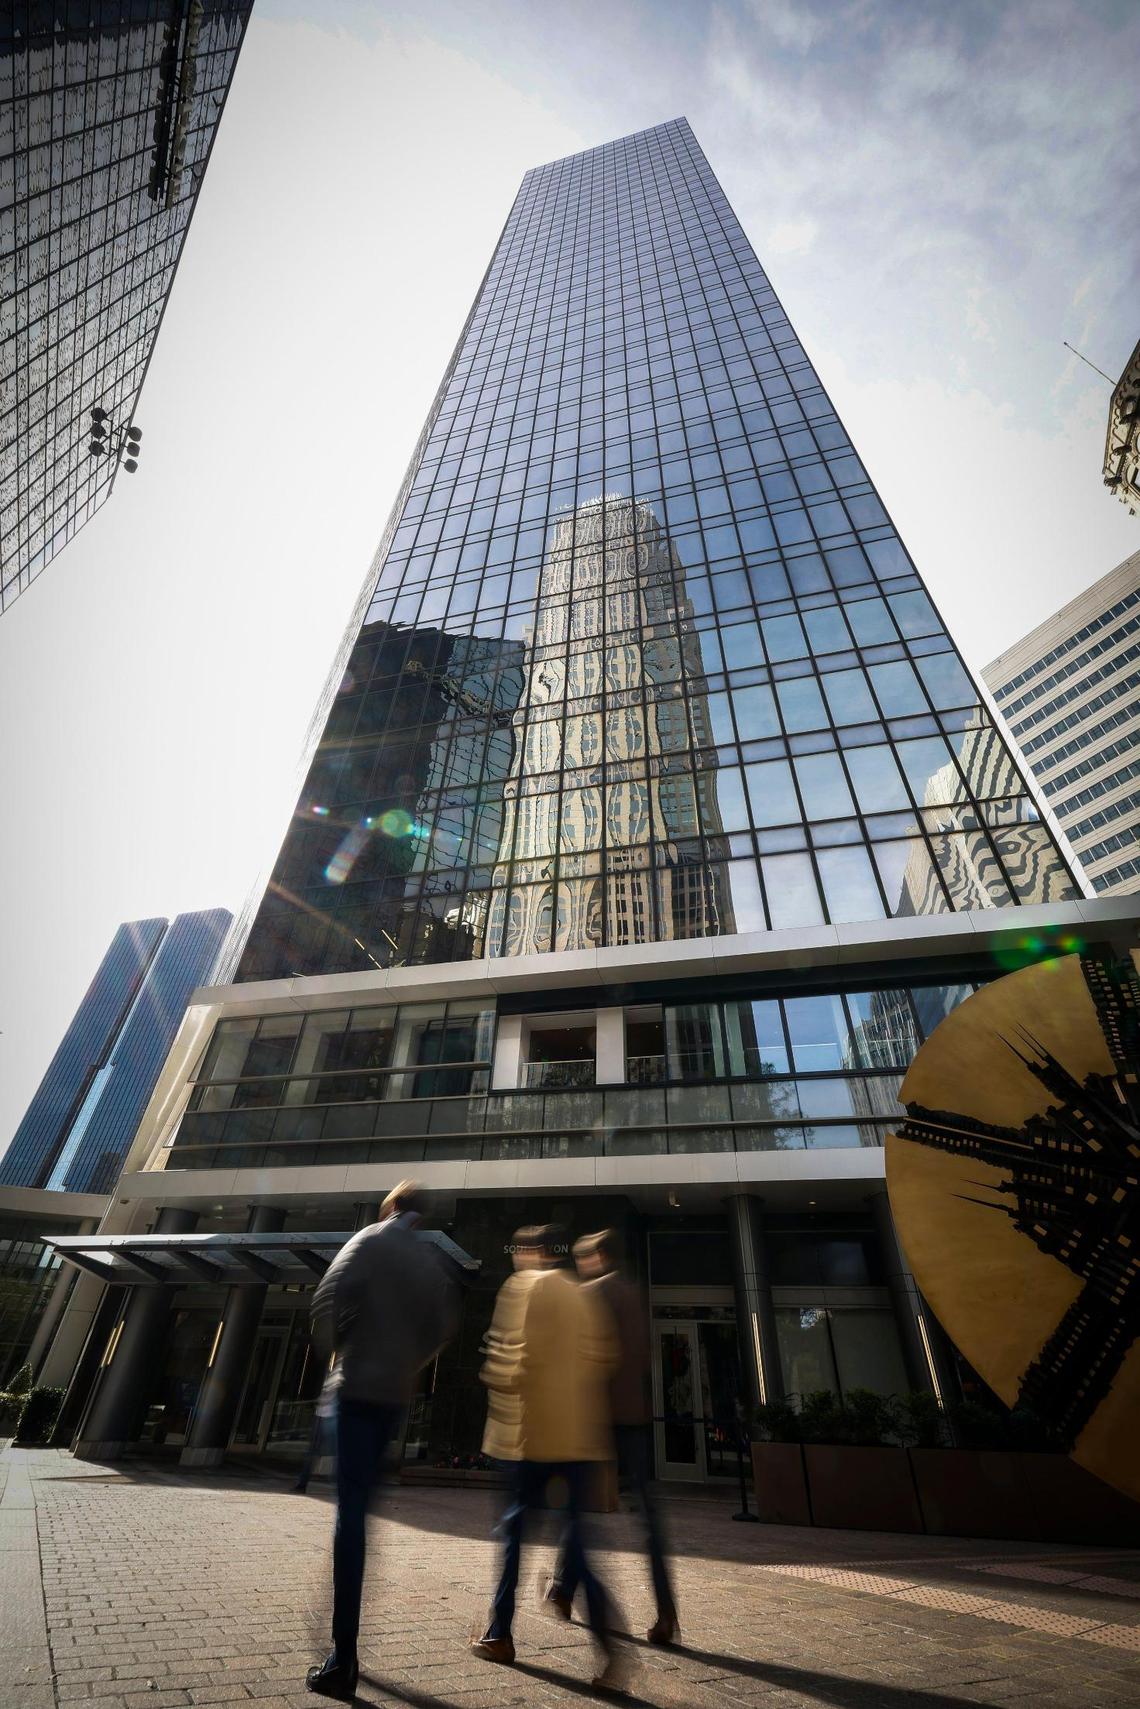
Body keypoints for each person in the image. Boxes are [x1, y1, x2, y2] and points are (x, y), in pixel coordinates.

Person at [305, 1181, 459, 1701]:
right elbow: (442, 1329)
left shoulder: (369, 1238)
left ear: (393, 1204)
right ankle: (340, 1637)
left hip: (355, 1390)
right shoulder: (428, 1262)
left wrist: (336, 1360)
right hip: (392, 1397)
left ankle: (342, 1657)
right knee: (362, 1509)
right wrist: (406, 1370)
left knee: (350, 1517)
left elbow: (324, 1300)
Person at [470, 1224, 626, 1691]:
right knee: (577, 1546)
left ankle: (500, 1633)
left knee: (513, 1538)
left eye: (519, 1251)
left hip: (530, 1437)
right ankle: (610, 1651)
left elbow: (510, 1362)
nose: (517, 1259)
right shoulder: (581, 1295)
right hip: (576, 1442)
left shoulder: (521, 1287)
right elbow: (605, 1358)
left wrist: (496, 1375)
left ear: (530, 1251)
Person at [547, 1230, 678, 1645]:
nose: (582, 1266)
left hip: (597, 1418)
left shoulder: (591, 1293)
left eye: (584, 1258)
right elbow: (643, 1357)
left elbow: (582, 1355)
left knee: (578, 1508)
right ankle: (665, 1613)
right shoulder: (635, 1294)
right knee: (648, 1521)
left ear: (598, 1257)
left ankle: (563, 1590)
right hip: (634, 1419)